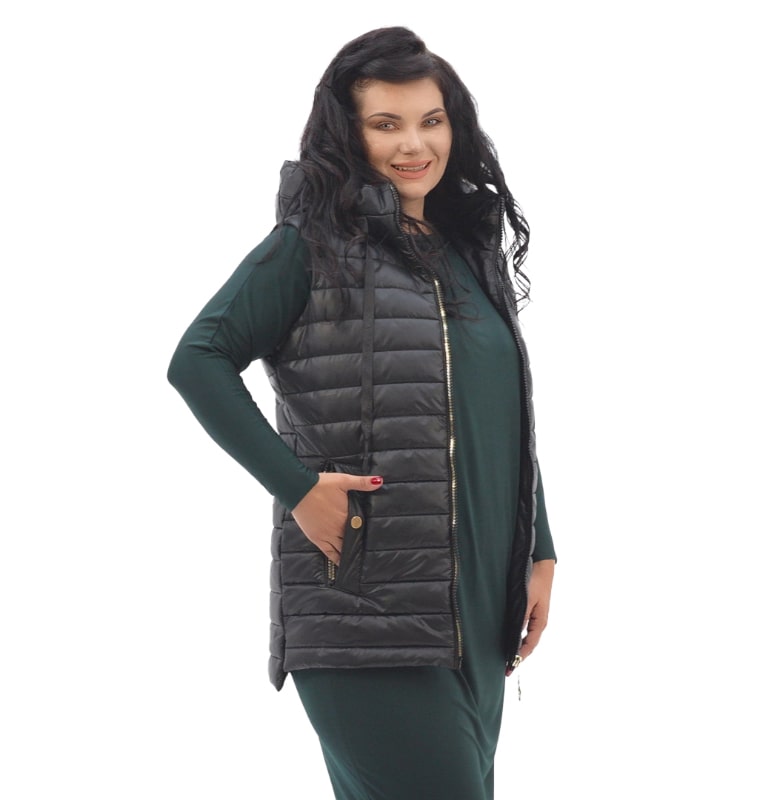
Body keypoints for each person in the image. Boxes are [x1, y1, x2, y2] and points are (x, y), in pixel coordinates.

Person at [167, 26, 556, 800]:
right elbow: (198, 359)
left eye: (431, 120)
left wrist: (539, 547)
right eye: (386, 124)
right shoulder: (310, 246)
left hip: (479, 613)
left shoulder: (465, 250)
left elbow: (501, 415)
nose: (414, 144)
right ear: (348, 134)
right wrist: (299, 487)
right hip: (366, 613)